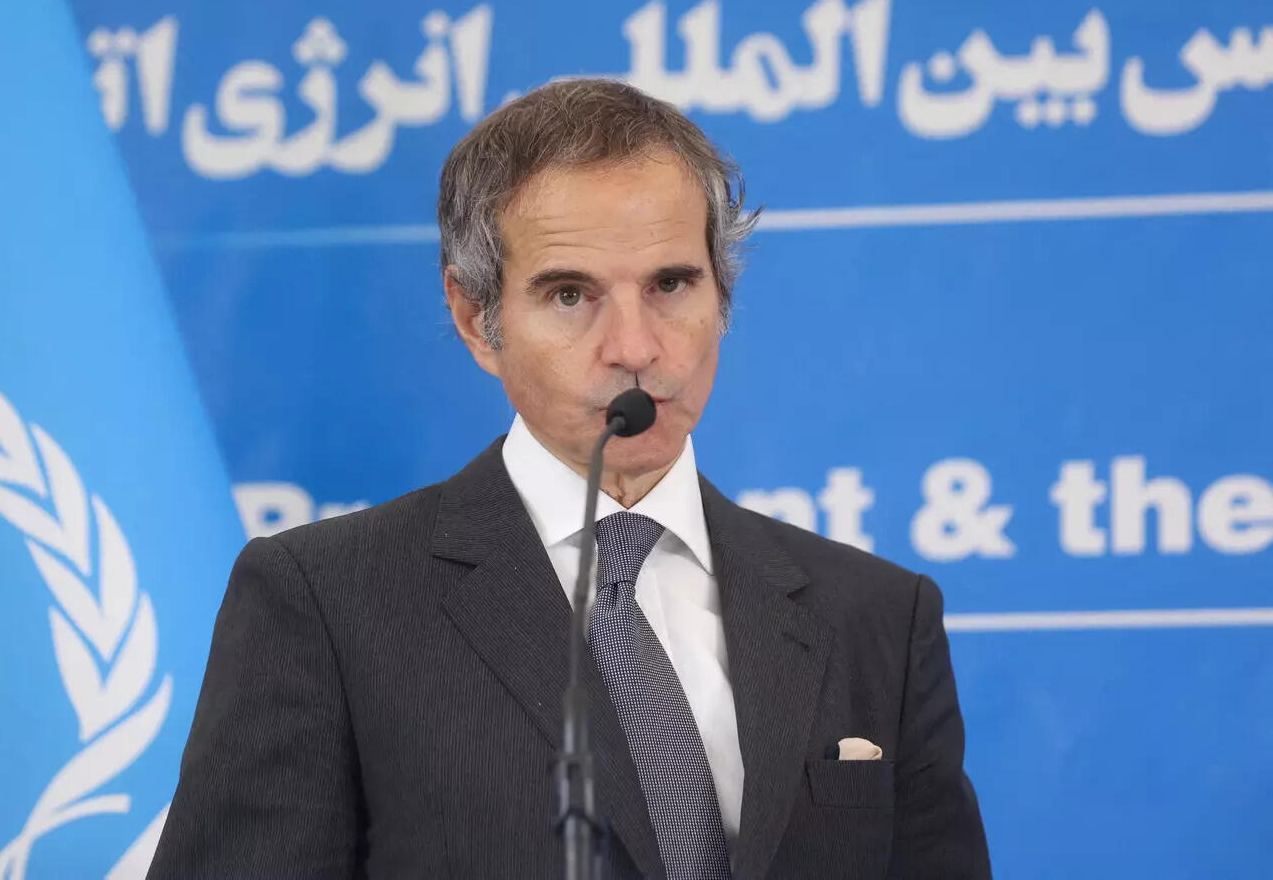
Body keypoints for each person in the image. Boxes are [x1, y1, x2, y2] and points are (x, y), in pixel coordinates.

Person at [147, 79, 991, 879]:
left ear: (721, 298)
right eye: (568, 295)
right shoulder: (326, 604)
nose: (633, 345)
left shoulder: (877, 617)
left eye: (670, 283)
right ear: (477, 320)